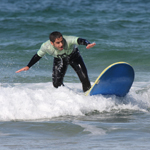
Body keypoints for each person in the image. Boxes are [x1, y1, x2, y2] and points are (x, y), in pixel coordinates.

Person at [16, 31, 96, 92]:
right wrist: (28, 66)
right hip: (59, 59)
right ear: (52, 43)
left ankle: (88, 96)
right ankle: (68, 95)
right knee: (56, 84)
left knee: (84, 78)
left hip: (74, 56)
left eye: (62, 41)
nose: (61, 44)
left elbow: (79, 40)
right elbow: (38, 56)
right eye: (58, 43)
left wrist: (87, 44)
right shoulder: (46, 46)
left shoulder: (68, 40)